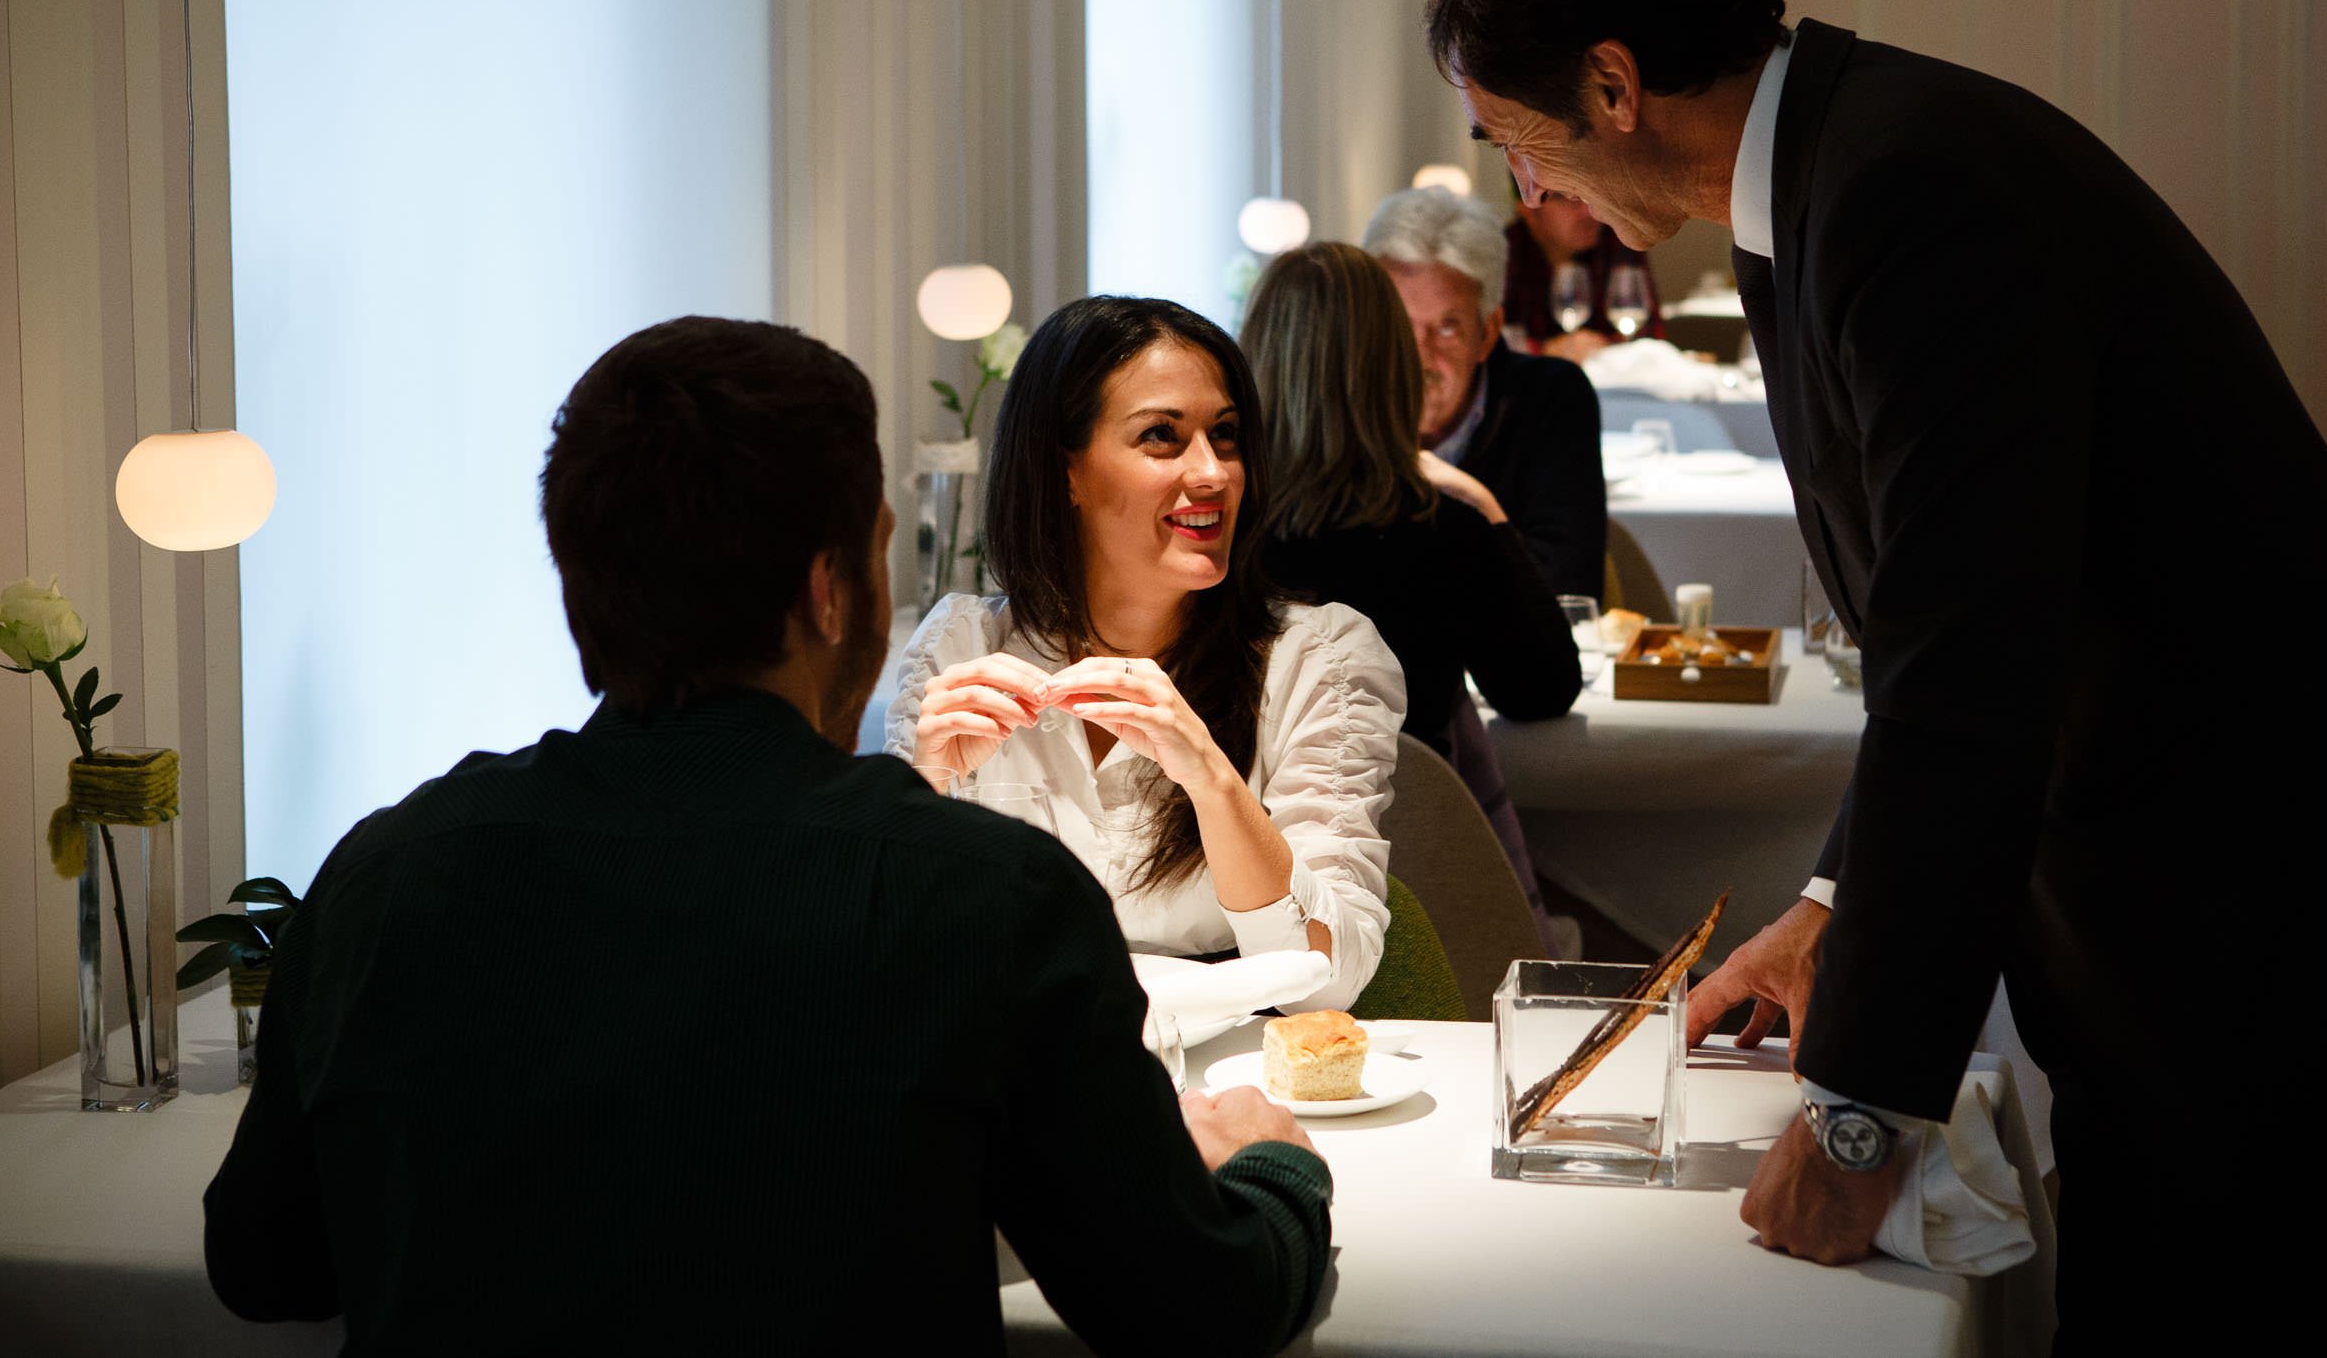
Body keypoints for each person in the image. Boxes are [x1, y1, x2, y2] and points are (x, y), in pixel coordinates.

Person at [1425, 0, 2327, 1350]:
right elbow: (1937, 625)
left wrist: (1860, 1116)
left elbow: (1973, 660)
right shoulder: (1833, 168)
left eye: (1520, 142)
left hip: (2278, 870)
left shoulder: (1906, 187)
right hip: (2191, 851)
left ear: (1614, 80)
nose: (1530, 190)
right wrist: (1833, 902)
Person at [203, 317, 1335, 1355]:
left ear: (581, 587)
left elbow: (262, 1262)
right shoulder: (983, 902)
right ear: (830, 590)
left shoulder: (384, 873)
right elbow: (1192, 1305)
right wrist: (1279, 1165)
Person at [887, 296, 1406, 1011]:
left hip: (1231, 1071)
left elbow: (1331, 982)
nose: (1214, 471)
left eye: (1225, 435)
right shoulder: (961, 648)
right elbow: (889, 952)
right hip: (1012, 1072)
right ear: (1064, 469)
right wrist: (920, 793)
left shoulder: (1318, 660)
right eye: (1162, 436)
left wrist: (1210, 776)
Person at [1240, 240, 1581, 948]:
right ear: (1394, 369)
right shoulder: (1445, 533)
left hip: (1249, 905)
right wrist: (1487, 510)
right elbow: (1543, 686)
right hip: (1423, 899)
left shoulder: (1221, 543)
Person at [1360, 186, 1608, 601]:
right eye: (1397, 325)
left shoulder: (1551, 401)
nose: (1417, 355)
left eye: (1447, 327)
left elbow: (1568, 587)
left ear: (1488, 333)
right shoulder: (1336, 408)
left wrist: (1475, 503)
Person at [1499, 177, 1665, 361]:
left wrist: (1602, 347)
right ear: (1527, 209)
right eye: (1567, 200)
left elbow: (1650, 337)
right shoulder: (1502, 253)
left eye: (1590, 197)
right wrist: (1545, 351)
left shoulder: (1618, 241)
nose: (1588, 212)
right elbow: (1489, 348)